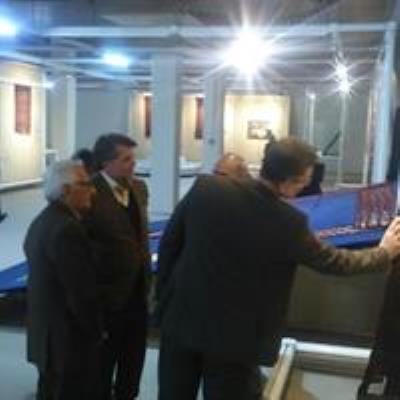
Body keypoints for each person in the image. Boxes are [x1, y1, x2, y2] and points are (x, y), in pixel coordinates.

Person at [156, 137, 400, 400]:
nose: (306, 185)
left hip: (180, 323)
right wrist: (384, 252)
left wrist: (165, 300)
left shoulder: (207, 189)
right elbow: (335, 261)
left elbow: (169, 245)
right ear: (288, 181)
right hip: (236, 343)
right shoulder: (289, 223)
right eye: (304, 180)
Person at [24, 160, 103, 400]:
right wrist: (97, 330)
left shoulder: (42, 221)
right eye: (85, 184)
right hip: (67, 342)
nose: (92, 190)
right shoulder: (68, 229)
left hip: (47, 338)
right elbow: (79, 293)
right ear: (66, 190)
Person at [85, 133, 150, 400]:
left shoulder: (139, 188)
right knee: (102, 367)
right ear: (105, 162)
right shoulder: (89, 192)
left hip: (138, 294)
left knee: (133, 364)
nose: (133, 164)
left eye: (133, 158)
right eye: (126, 159)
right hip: (107, 299)